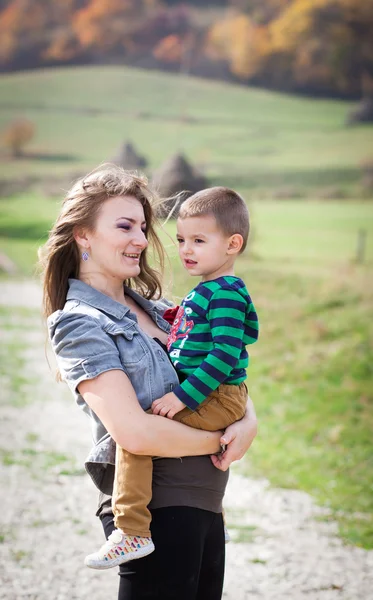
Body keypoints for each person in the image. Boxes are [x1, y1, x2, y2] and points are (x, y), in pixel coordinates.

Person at [41, 164, 258, 600]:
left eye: (143, 226)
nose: (141, 239)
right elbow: (134, 432)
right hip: (156, 510)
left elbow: (227, 370)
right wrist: (224, 439)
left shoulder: (166, 310)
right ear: (83, 234)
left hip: (206, 503)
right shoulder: (80, 324)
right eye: (124, 226)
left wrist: (248, 421)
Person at [87, 186, 259, 570]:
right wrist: (174, 320)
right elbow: (196, 335)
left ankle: (130, 530)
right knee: (139, 431)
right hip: (216, 397)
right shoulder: (208, 291)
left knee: (135, 435)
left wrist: (184, 397)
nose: (186, 249)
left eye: (199, 240)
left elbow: (224, 354)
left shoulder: (226, 293)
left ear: (233, 244)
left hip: (212, 396)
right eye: (181, 239)